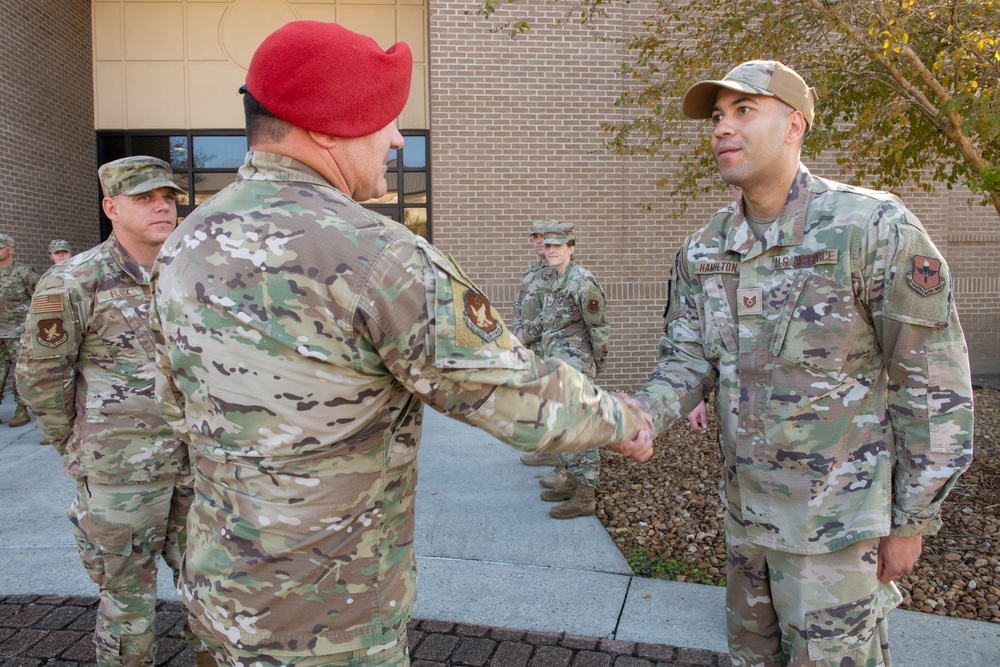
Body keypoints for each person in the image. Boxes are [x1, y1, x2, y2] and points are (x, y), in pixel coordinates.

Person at [149, 21, 653, 667]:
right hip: (330, 617)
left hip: (220, 589)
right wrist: (619, 419)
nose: (395, 137)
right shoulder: (378, 255)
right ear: (327, 126)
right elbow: (517, 399)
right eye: (383, 117)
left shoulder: (187, 241)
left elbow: (172, 400)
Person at [625, 60, 974, 666]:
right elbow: (686, 363)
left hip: (836, 533)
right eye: (716, 116)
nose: (721, 129)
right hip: (747, 527)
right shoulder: (705, 249)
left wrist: (913, 519)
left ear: (795, 126)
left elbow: (934, 385)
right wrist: (638, 414)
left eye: (743, 111)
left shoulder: (871, 229)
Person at [15, 157, 213, 667]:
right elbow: (40, 378)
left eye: (167, 196)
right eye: (145, 198)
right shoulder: (73, 282)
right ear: (111, 207)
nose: (162, 206)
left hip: (201, 465)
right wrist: (80, 444)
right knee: (127, 601)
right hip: (121, 474)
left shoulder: (199, 272)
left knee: (213, 592)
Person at [532, 222, 610, 519]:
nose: (551, 250)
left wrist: (598, 365)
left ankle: (585, 496)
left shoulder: (582, 281)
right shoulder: (555, 279)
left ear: (571, 249)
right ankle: (572, 482)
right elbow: (548, 321)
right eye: (548, 245)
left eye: (558, 246)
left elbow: (599, 329)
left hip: (576, 366)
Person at [513, 219, 558, 467]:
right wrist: (516, 334)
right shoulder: (531, 271)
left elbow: (551, 312)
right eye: (535, 237)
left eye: (543, 236)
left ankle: (553, 452)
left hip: (547, 344)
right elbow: (518, 305)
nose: (539, 241)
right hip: (528, 345)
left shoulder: (557, 272)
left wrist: (526, 335)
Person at [0, 233, 38, 427]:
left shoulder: (24, 273)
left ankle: (22, 410)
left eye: (1, 246)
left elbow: (39, 299)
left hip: (19, 332)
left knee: (20, 373)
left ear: (11, 250)